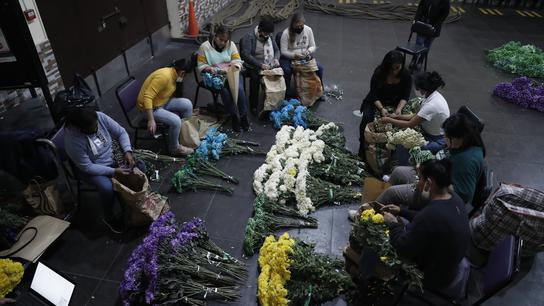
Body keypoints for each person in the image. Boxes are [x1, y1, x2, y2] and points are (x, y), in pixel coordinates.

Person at [382, 159, 470, 296]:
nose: (418, 183)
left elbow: (402, 246)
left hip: (431, 276)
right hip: (449, 265)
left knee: (378, 243)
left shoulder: (431, 215)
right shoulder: (455, 199)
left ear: (428, 183)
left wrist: (393, 223)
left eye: (420, 179)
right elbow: (426, 221)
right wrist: (401, 211)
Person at [368, 112, 485, 213]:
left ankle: (369, 213)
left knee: (391, 192)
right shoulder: (460, 145)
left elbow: (462, 196)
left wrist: (431, 178)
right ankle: (384, 204)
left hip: (437, 193)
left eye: (447, 137)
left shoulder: (467, 160)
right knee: (398, 171)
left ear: (458, 138)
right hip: (431, 178)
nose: (444, 139)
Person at [64, 108, 143, 234]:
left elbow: (121, 132)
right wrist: (113, 171)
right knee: (106, 187)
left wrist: (127, 151)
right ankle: (109, 217)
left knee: (139, 166)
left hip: (112, 155)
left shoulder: (99, 117)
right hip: (92, 167)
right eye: (92, 128)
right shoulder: (72, 140)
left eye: (96, 125)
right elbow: (87, 166)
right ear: (81, 129)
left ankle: (129, 203)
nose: (96, 128)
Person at [380, 71, 450, 153]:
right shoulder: (432, 96)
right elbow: (416, 115)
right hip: (429, 131)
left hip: (437, 139)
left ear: (423, 89)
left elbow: (410, 124)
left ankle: (401, 162)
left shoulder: (432, 105)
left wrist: (389, 120)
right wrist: (396, 117)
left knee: (404, 145)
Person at [359, 50, 412, 157]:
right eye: (391, 68)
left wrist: (399, 109)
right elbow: (373, 93)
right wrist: (381, 108)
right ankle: (362, 146)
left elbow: (405, 96)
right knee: (366, 119)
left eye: (397, 68)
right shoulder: (379, 73)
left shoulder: (406, 75)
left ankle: (389, 153)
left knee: (400, 125)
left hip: (395, 102)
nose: (394, 71)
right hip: (376, 101)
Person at [137, 58, 194, 156]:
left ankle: (185, 136)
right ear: (183, 72)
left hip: (162, 101)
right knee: (176, 121)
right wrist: (151, 120)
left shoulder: (175, 75)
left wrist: (179, 83)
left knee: (187, 104)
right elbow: (148, 97)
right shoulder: (164, 76)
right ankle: (174, 148)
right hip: (149, 108)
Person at [197, 25, 249, 132]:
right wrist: (214, 70)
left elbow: (237, 60)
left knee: (238, 89)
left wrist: (234, 66)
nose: (223, 43)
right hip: (217, 76)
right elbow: (201, 66)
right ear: (215, 36)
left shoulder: (231, 45)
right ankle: (234, 116)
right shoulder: (204, 47)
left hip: (232, 73)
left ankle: (243, 116)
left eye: (226, 41)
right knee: (225, 92)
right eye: (221, 40)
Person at [240, 16, 280, 113]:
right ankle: (253, 104)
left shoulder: (269, 37)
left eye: (269, 34)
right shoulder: (249, 37)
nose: (267, 36)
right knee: (255, 77)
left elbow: (276, 50)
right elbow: (246, 55)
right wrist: (260, 65)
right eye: (266, 33)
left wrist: (276, 59)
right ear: (260, 30)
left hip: (267, 63)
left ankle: (273, 101)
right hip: (252, 65)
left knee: (278, 75)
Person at [279, 13, 323, 96]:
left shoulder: (308, 30)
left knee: (319, 68)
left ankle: (319, 91)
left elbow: (313, 46)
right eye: (297, 26)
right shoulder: (286, 33)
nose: (300, 28)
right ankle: (286, 92)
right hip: (289, 57)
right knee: (287, 70)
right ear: (293, 25)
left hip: (304, 56)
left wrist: (308, 51)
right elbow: (283, 51)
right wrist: (294, 55)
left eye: (301, 26)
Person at [409, 0, 451, 71]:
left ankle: (421, 60)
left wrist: (435, 26)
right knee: (419, 43)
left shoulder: (445, 1)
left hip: (434, 25)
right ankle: (414, 59)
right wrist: (416, 19)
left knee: (427, 45)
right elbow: (421, 7)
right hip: (423, 23)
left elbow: (444, 14)